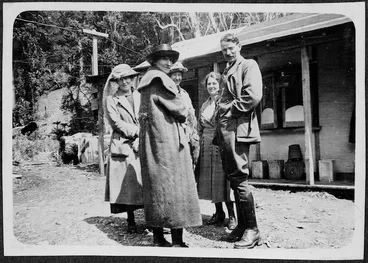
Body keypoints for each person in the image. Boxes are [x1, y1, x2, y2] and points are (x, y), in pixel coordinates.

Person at [137, 44, 202, 248]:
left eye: (170, 59)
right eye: (163, 58)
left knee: (156, 188)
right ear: (155, 61)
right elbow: (181, 110)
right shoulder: (160, 80)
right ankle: (177, 240)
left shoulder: (147, 80)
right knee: (176, 188)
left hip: (153, 141)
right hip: (169, 142)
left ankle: (158, 238)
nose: (168, 62)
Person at [214, 33, 263, 249]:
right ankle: (242, 227)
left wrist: (229, 108)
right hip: (226, 130)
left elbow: (253, 96)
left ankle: (253, 230)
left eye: (231, 48)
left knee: (240, 178)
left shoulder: (248, 65)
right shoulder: (227, 70)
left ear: (239, 46)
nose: (228, 52)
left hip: (238, 129)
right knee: (233, 178)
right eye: (224, 49)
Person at [103, 64, 143, 234]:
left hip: (143, 141)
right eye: (122, 79)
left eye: (128, 77)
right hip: (123, 143)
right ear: (116, 81)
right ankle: (131, 219)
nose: (126, 81)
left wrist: (142, 137)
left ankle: (153, 219)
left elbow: (147, 116)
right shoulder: (111, 100)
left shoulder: (141, 95)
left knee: (146, 181)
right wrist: (136, 132)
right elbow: (115, 122)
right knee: (127, 184)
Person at [197, 72, 236, 230]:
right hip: (206, 144)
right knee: (211, 180)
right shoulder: (204, 105)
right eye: (209, 84)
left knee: (223, 180)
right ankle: (218, 213)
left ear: (220, 85)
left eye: (214, 83)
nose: (212, 86)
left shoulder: (225, 101)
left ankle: (232, 215)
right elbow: (200, 127)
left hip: (220, 143)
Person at [169, 62, 200, 169]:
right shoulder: (165, 93)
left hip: (186, 136)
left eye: (179, 75)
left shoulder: (184, 94)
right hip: (172, 137)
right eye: (174, 75)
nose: (177, 78)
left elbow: (191, 114)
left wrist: (192, 132)